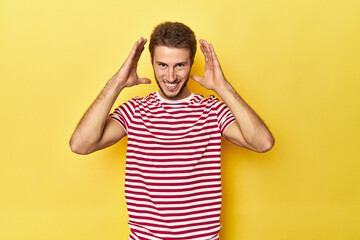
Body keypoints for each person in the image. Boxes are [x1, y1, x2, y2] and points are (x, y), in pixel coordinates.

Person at [70, 21, 274, 240]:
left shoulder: (211, 110)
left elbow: (263, 143)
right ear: (151, 62)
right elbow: (81, 144)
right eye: (162, 65)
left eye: (179, 65)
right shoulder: (135, 110)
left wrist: (223, 88)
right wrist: (117, 83)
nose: (170, 77)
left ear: (191, 63)